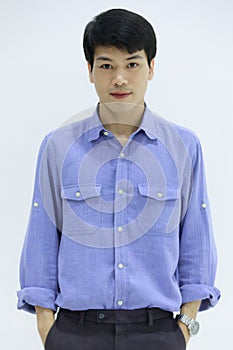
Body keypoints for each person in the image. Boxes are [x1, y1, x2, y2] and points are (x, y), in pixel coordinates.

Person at [17, 8, 220, 350]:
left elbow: (196, 238)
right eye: (107, 65)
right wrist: (47, 328)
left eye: (132, 64)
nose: (120, 79)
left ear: (151, 67)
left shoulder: (183, 146)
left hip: (157, 333)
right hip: (74, 333)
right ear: (90, 71)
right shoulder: (59, 146)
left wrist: (185, 325)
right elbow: (41, 235)